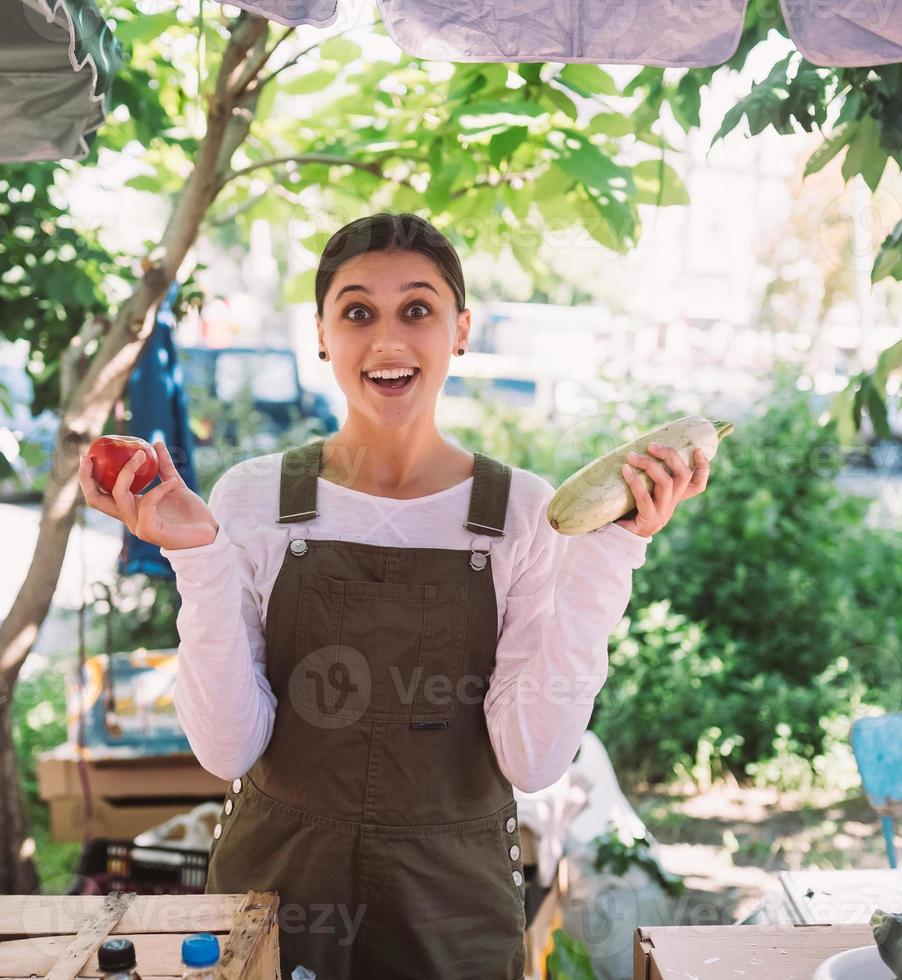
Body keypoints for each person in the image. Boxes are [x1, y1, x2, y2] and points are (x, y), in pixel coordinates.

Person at [78, 212, 711, 980]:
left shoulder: (519, 513)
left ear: (461, 329)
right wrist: (197, 558)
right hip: (276, 897)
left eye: (417, 309)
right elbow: (227, 749)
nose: (386, 341)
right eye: (356, 312)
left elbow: (533, 758)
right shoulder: (253, 501)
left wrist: (613, 552)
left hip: (453, 907)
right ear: (320, 332)